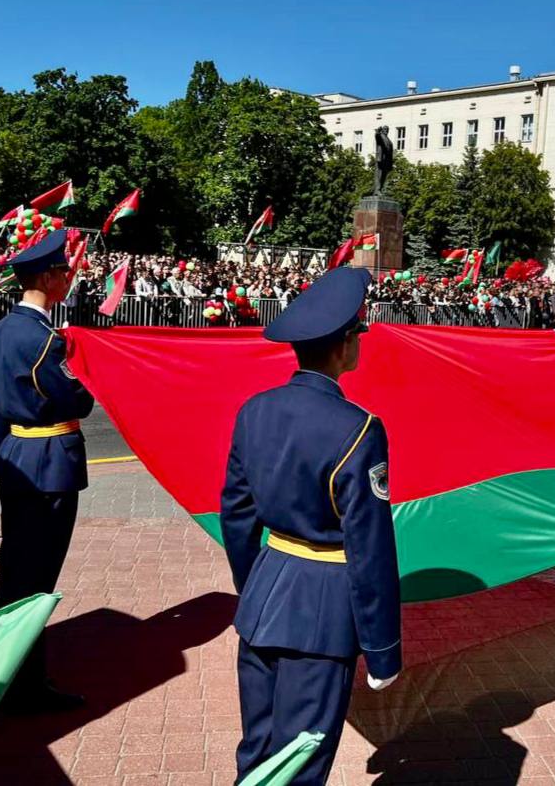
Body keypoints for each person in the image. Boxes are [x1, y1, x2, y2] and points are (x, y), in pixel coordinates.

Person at [220, 266, 401, 786]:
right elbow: (370, 548)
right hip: (321, 615)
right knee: (300, 762)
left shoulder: (255, 410)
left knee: (257, 750)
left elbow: (236, 513)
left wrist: (254, 585)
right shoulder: (359, 429)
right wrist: (383, 648)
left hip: (265, 596)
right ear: (345, 346)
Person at [0, 229, 94, 711]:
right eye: (64, 272)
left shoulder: (1, 331)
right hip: (50, 466)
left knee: (16, 570)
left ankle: (3, 670)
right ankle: (22, 684)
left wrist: (12, 449)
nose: (68, 278)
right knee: (35, 578)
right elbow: (76, 400)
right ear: (49, 278)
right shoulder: (45, 339)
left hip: (16, 459)